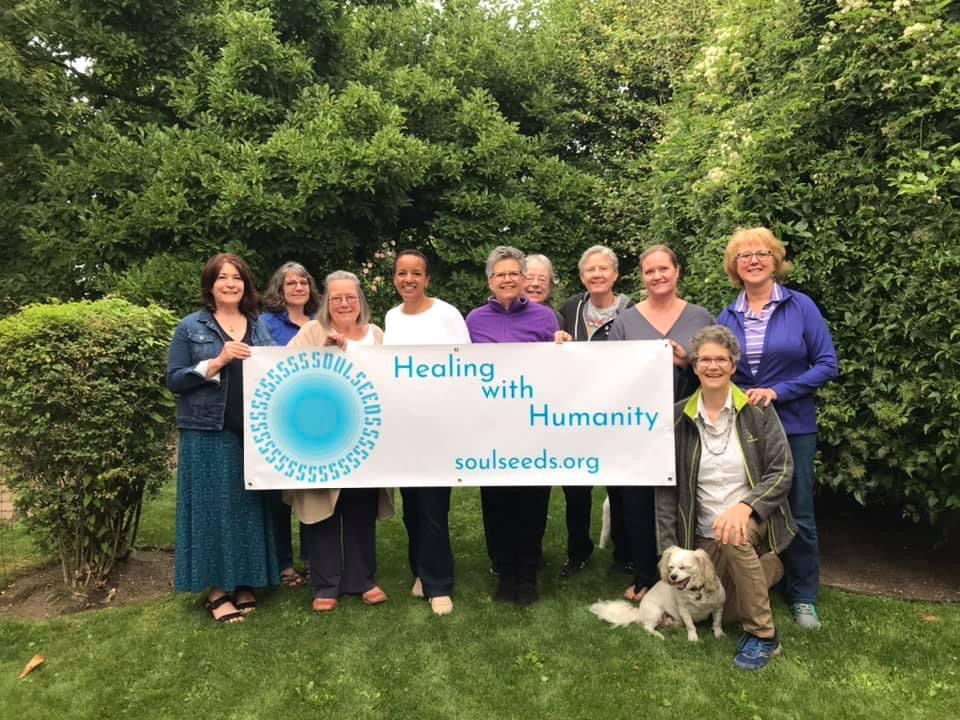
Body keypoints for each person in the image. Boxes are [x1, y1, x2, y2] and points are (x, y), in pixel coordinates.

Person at [717, 227, 838, 630]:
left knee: (798, 507)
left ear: (776, 260)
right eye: (744, 255)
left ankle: (804, 596)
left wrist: (779, 391)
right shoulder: (728, 314)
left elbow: (826, 364)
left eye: (762, 253)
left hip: (793, 423)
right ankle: (763, 579)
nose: (753, 260)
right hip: (746, 428)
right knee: (751, 501)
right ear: (734, 267)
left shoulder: (800, 306)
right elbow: (718, 364)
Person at [656, 325, 797, 670]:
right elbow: (666, 486)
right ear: (694, 365)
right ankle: (767, 572)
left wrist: (747, 507)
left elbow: (782, 469)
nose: (713, 366)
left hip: (751, 521)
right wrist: (669, 549)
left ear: (734, 366)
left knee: (734, 537)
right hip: (702, 534)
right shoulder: (677, 417)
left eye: (722, 359)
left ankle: (764, 636)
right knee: (717, 607)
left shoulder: (757, 410)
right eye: (705, 359)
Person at [166, 253, 279, 623]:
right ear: (210, 285)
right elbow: (175, 380)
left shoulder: (258, 325)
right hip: (206, 430)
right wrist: (216, 361)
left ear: (246, 284)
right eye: (223, 278)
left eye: (237, 278)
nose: (231, 284)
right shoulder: (190, 327)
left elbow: (281, 367)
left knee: (248, 508)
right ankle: (216, 590)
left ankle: (245, 580)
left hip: (252, 430)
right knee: (212, 510)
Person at [609, 244, 713, 603]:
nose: (657, 276)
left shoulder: (701, 318)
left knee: (682, 496)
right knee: (639, 501)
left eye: (663, 269)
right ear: (642, 277)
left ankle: (688, 575)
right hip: (638, 425)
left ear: (677, 271)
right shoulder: (626, 321)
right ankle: (643, 575)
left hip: (687, 422)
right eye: (649, 271)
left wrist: (686, 362)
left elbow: (716, 370)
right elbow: (610, 375)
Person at [285, 271, 394, 612]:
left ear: (360, 300)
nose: (344, 303)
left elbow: (391, 378)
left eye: (350, 297)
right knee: (322, 510)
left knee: (360, 509)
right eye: (336, 298)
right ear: (326, 303)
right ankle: (326, 584)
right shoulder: (310, 333)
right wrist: (322, 351)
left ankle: (363, 579)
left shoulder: (376, 335)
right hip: (321, 438)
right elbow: (282, 372)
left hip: (364, 439)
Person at [466, 246, 559, 605]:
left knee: (533, 502)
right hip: (491, 428)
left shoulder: (545, 318)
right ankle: (505, 572)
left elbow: (559, 370)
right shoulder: (474, 320)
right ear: (490, 281)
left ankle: (528, 573)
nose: (507, 279)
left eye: (513, 274)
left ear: (524, 279)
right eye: (499, 274)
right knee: (496, 502)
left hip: (535, 426)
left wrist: (562, 348)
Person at [383, 249, 470, 616]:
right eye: (402, 273)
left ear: (427, 279)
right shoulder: (391, 317)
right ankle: (420, 569)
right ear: (394, 279)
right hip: (402, 425)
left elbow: (466, 362)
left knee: (434, 503)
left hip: (439, 424)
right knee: (412, 506)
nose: (408, 280)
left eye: (416, 273)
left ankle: (439, 583)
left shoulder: (447, 313)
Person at [555, 245, 634, 578]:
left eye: (604, 269)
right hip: (575, 415)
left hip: (617, 413)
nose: (597, 275)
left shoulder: (632, 310)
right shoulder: (569, 308)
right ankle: (578, 552)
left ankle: (624, 553)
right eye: (590, 270)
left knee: (619, 487)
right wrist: (555, 339)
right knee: (575, 489)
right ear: (581, 276)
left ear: (615, 274)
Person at [259, 261, 322, 588]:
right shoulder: (266, 324)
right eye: (291, 283)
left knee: (312, 491)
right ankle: (283, 563)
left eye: (303, 282)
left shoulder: (319, 322)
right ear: (279, 290)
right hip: (280, 417)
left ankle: (313, 559)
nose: (298, 288)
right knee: (280, 494)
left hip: (316, 417)